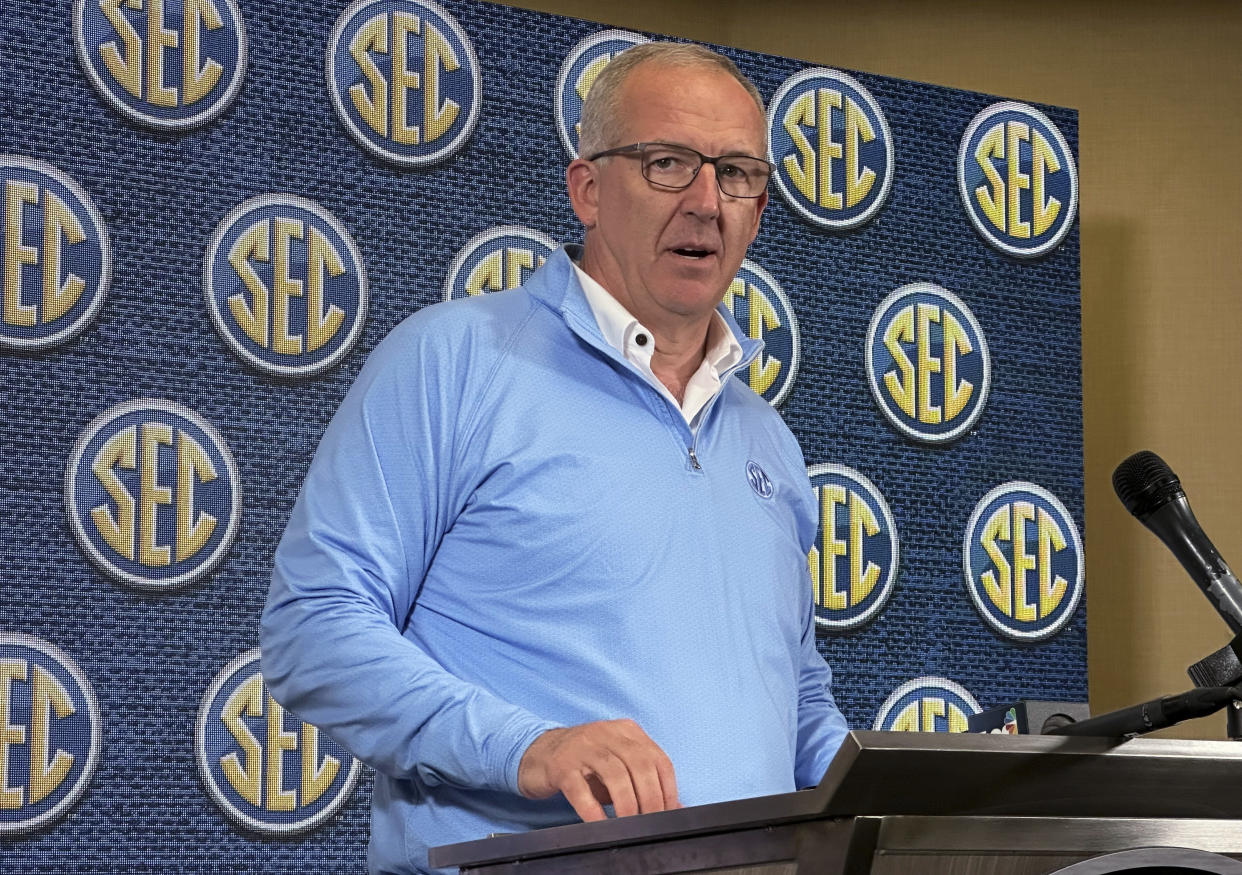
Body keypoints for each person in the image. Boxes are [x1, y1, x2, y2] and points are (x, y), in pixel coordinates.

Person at [260, 41, 849, 875]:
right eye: (668, 163)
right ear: (587, 189)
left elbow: (795, 698)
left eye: (738, 173)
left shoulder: (769, 442)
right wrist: (527, 746)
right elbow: (313, 629)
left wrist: (923, 792)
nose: (707, 202)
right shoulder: (453, 362)